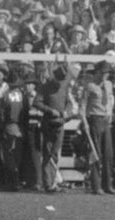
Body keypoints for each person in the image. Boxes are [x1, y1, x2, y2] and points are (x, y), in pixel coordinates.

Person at [33, 63, 73, 192]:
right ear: (54, 77)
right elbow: (36, 102)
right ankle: (48, 184)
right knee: (48, 153)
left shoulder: (64, 86)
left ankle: (53, 182)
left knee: (55, 153)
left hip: (60, 123)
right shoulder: (45, 87)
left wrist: (67, 111)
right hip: (49, 123)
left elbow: (69, 103)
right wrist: (50, 111)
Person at [81, 59, 115, 194]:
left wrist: (110, 114)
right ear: (97, 72)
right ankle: (96, 185)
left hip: (106, 120)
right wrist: (84, 123)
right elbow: (82, 106)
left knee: (108, 154)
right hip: (94, 120)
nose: (105, 75)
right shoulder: (89, 86)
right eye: (103, 72)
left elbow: (110, 100)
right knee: (95, 154)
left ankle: (108, 184)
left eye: (107, 73)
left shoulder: (109, 84)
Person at [0, 72, 25, 191]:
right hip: (20, 127)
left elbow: (2, 113)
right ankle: (17, 180)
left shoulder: (6, 95)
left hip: (9, 126)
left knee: (8, 155)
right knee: (17, 155)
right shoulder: (22, 95)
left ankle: (11, 181)